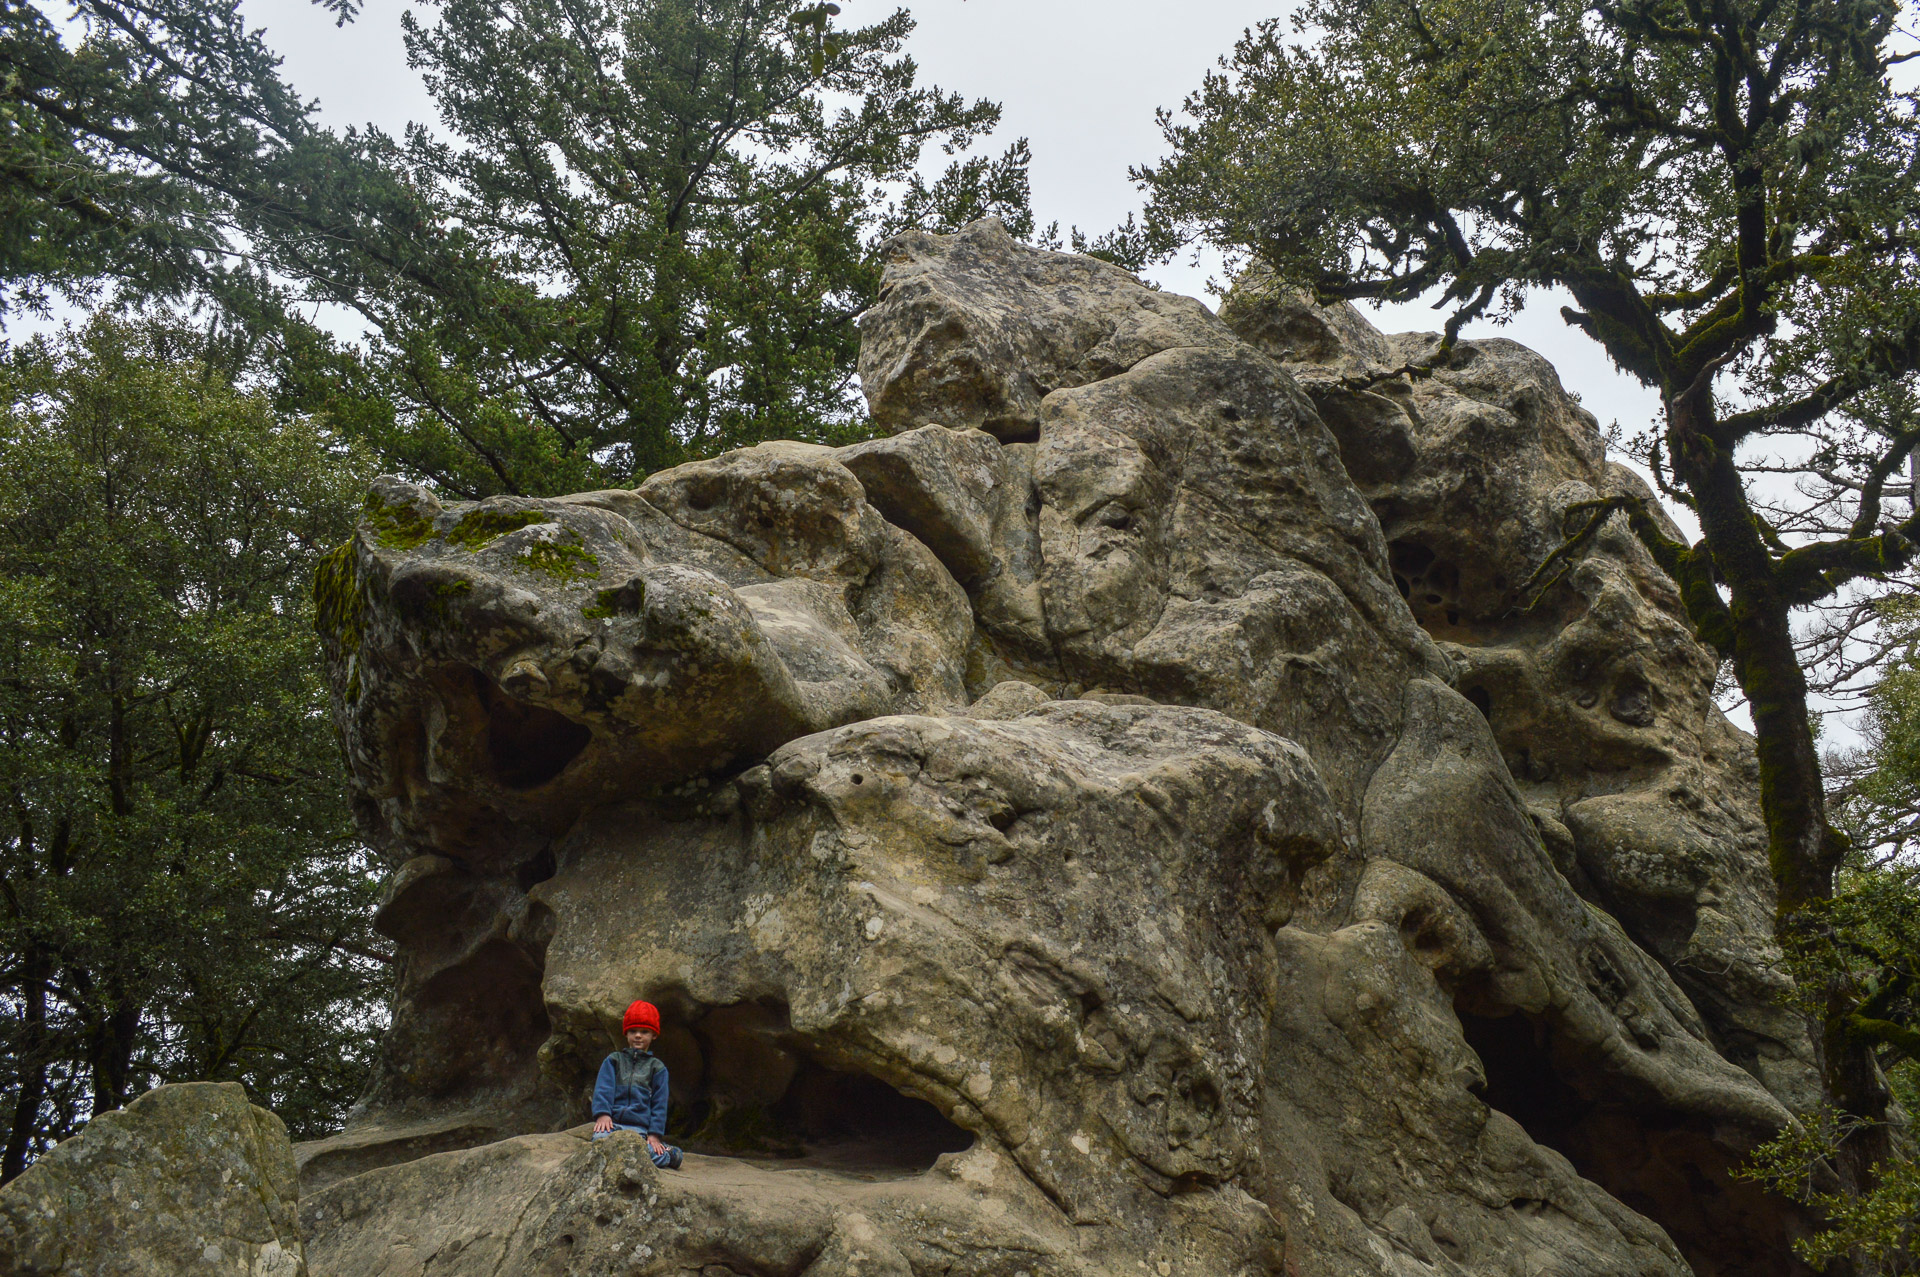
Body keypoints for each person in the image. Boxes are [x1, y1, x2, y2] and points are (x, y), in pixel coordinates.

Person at [591, 999, 683, 1169]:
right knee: (599, 1144)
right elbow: (603, 1089)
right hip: (612, 1124)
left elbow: (659, 1104)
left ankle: (669, 1155)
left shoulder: (657, 1068)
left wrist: (654, 1135)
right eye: (633, 1031)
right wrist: (603, 1114)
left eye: (644, 1032)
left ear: (654, 1035)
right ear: (626, 1033)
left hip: (639, 1129)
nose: (638, 1036)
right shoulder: (614, 1061)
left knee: (641, 1153)